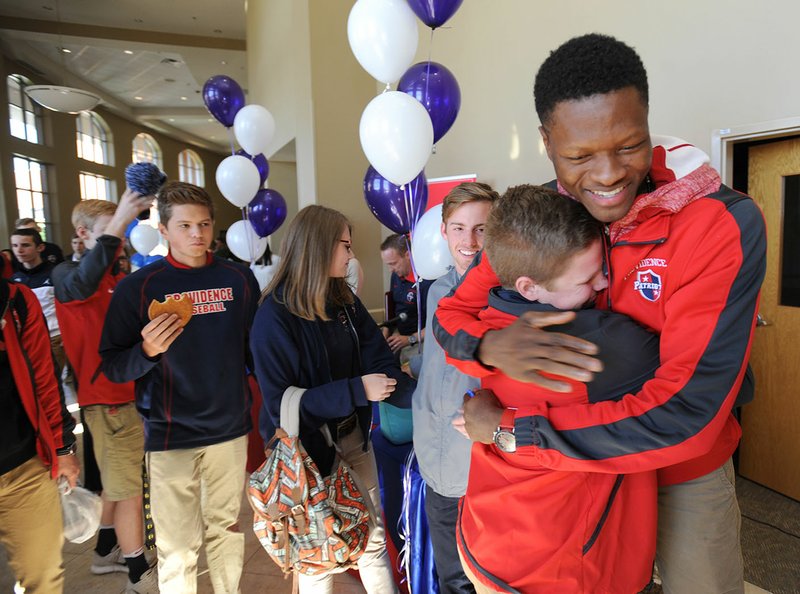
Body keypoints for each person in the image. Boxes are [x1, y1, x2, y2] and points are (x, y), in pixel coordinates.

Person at [433, 34, 766, 594]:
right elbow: (451, 314)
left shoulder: (717, 221)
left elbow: (689, 410)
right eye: (580, 156)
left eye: (628, 146)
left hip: (679, 468)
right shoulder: (544, 217)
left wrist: (519, 433)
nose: (609, 174)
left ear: (647, 121)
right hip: (573, 470)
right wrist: (488, 347)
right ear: (546, 141)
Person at [459, 185, 665, 593]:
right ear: (530, 287)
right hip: (561, 567)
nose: (605, 282)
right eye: (588, 277)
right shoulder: (603, 343)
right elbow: (722, 380)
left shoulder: (489, 318)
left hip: (487, 540)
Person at [100, 181, 260, 594]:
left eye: (204, 224)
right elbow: (114, 366)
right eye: (185, 225)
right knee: (177, 547)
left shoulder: (239, 279)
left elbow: (255, 352)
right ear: (165, 230)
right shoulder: (139, 288)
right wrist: (148, 350)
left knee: (226, 529)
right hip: (171, 433)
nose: (197, 234)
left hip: (229, 428)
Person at [250, 205, 415, 594]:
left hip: (354, 441)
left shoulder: (344, 301)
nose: (350, 255)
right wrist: (356, 390)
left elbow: (377, 358)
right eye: (344, 245)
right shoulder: (273, 316)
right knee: (317, 560)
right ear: (318, 247)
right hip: (306, 456)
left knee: (371, 542)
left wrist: (423, 399)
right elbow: (280, 404)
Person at [52, 194, 157, 594]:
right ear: (83, 234)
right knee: (129, 492)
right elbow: (81, 284)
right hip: (109, 401)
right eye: (111, 230)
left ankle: (105, 552)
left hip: (126, 397)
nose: (122, 238)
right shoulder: (68, 276)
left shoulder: (113, 277)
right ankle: (138, 574)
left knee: (119, 485)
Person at [411, 181, 498, 594]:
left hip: (483, 465)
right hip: (434, 455)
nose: (470, 241)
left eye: (482, 228)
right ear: (443, 231)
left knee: (486, 578)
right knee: (451, 577)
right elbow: (434, 366)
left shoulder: (509, 299)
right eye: (459, 228)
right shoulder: (436, 292)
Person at [0, 256, 79, 594]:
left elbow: (44, 377)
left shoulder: (16, 301)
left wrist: (63, 448)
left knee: (43, 579)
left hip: (24, 468)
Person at [9, 228, 66, 377]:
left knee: (52, 381)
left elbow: (69, 308)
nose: (19, 250)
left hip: (54, 337)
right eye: (15, 246)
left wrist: (67, 336)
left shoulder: (55, 273)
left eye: (25, 245)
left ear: (40, 248)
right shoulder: (15, 279)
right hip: (27, 340)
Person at [380, 233, 432, 356]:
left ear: (408, 255)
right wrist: (385, 333)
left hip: (420, 339)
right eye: (388, 264)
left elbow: (434, 325)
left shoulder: (426, 282)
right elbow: (393, 310)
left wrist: (410, 339)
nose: (390, 270)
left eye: (393, 263)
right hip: (399, 334)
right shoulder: (396, 276)